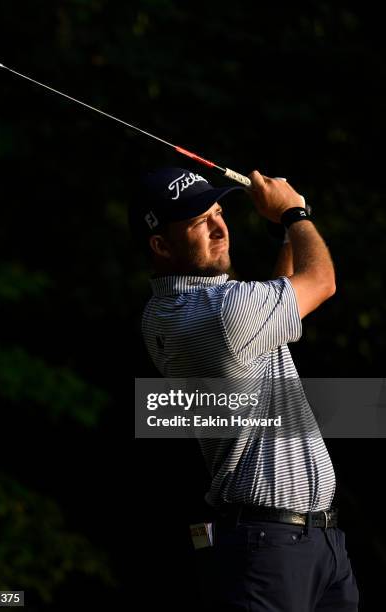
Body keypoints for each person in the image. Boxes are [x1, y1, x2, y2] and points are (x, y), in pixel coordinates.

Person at [130, 166, 359, 611]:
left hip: (312, 542)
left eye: (218, 213)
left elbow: (276, 294)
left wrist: (284, 236)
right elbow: (322, 282)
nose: (220, 229)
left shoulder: (169, 310)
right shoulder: (223, 314)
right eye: (200, 223)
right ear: (160, 245)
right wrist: (295, 213)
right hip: (270, 549)